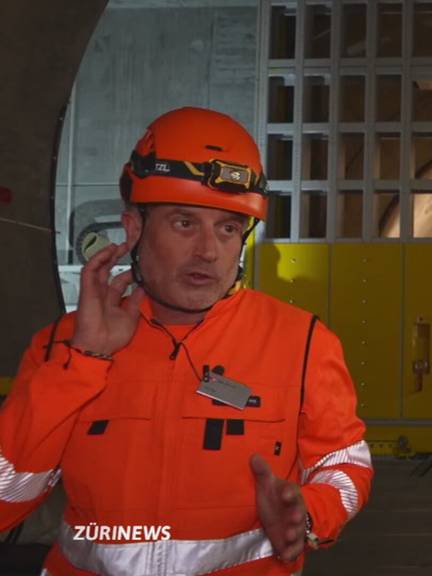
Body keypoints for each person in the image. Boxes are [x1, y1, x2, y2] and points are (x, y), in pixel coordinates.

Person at [0, 107, 373, 575]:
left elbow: (345, 463)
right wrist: (84, 361)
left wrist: (311, 510)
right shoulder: (60, 346)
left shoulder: (302, 342)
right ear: (134, 227)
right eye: (184, 223)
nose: (208, 251)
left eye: (228, 228)